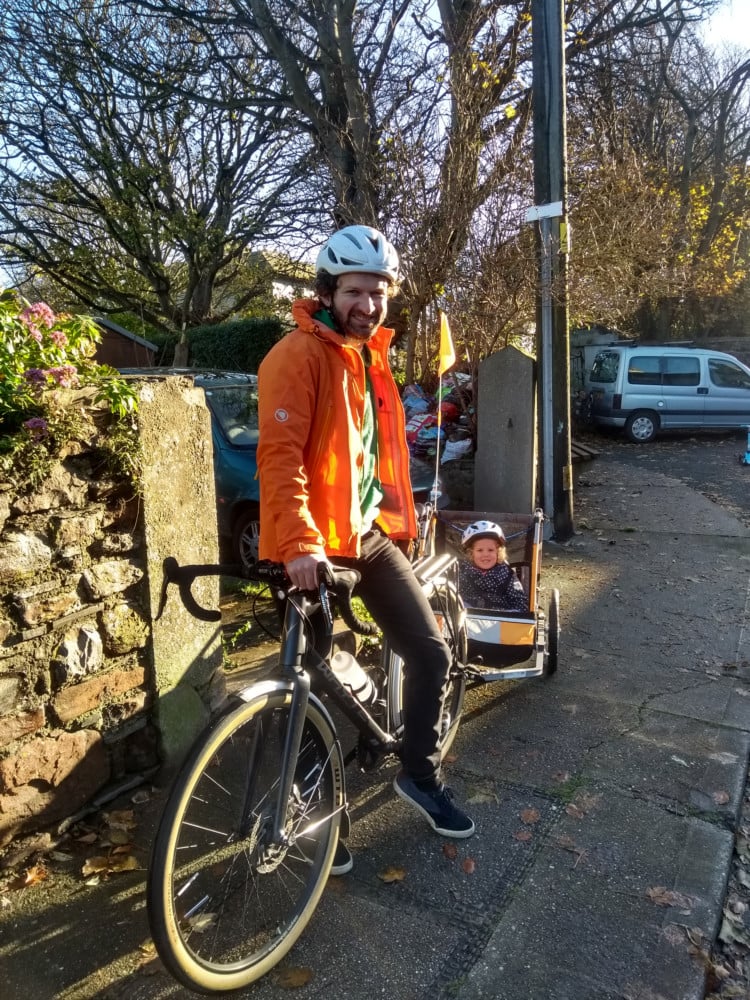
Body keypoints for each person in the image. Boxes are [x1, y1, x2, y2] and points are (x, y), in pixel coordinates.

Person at [257, 225, 475, 874]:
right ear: (328, 292)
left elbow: (372, 459)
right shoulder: (297, 355)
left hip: (365, 536)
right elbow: (280, 457)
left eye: (378, 293)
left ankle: (420, 774)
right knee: (311, 679)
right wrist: (300, 542)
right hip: (309, 545)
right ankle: (316, 818)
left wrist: (399, 524)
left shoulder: (369, 357)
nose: (368, 304)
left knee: (431, 653)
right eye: (355, 291)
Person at [459, 520, 528, 611]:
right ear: (471, 553)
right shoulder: (463, 571)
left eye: (491, 550)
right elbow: (452, 593)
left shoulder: (506, 573)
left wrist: (512, 613)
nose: (485, 554)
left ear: (498, 552)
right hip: (468, 614)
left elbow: (519, 601)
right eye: (480, 550)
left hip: (499, 615)